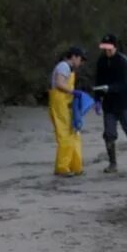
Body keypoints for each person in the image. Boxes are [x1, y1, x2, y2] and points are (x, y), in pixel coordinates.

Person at [93, 34, 127, 174]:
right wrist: (97, 98)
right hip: (109, 105)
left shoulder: (122, 61)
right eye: (104, 48)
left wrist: (110, 88)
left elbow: (124, 83)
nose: (107, 51)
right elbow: (98, 81)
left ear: (115, 47)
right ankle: (112, 164)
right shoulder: (101, 61)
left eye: (109, 48)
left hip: (125, 103)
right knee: (109, 134)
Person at [49, 46, 84, 177]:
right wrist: (73, 92)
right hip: (59, 106)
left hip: (66, 106)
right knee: (65, 136)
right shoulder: (63, 66)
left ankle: (75, 166)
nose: (81, 62)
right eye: (80, 59)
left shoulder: (69, 69)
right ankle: (62, 167)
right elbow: (59, 83)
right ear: (74, 56)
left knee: (74, 134)